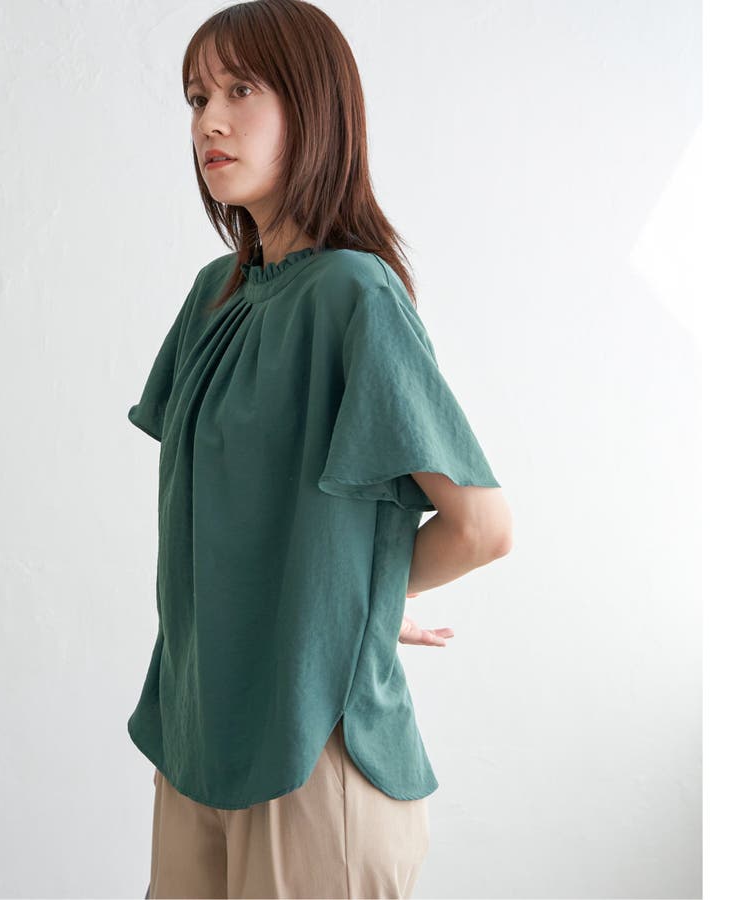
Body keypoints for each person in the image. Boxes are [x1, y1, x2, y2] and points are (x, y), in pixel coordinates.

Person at [127, 1, 514, 897]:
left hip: (314, 758)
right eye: (197, 98)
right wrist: (347, 593)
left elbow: (483, 527)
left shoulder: (353, 294)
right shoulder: (214, 298)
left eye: (241, 90)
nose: (209, 121)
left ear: (313, 108)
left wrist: (358, 604)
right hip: (196, 741)